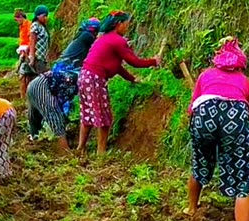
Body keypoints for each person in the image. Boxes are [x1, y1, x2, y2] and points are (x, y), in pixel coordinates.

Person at [185, 37, 249, 221]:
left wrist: (199, 129)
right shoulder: (244, 81)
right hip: (235, 116)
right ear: (239, 62)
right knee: (243, 177)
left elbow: (192, 109)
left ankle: (191, 208)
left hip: (204, 113)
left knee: (200, 161)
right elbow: (248, 109)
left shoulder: (205, 75)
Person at [77, 11, 160, 155]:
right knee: (104, 118)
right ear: (118, 24)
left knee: (88, 115)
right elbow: (134, 62)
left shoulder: (105, 39)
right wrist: (154, 61)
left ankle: (81, 148)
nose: (127, 27)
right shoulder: (117, 40)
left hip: (84, 77)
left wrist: (132, 79)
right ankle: (101, 154)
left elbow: (116, 66)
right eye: (126, 24)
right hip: (95, 79)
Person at [27, 61, 80, 151]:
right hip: (42, 85)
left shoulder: (80, 74)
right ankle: (64, 149)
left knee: (35, 115)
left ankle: (34, 137)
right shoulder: (85, 78)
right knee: (53, 114)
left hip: (35, 83)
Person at [14, 8, 33, 98]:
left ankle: (24, 97)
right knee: (25, 75)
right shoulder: (21, 26)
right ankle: (24, 96)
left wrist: (26, 52)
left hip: (27, 53)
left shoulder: (28, 25)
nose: (16, 21)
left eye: (16, 19)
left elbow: (31, 39)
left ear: (21, 17)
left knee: (24, 76)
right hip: (23, 51)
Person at [29, 5, 50, 75]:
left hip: (43, 58)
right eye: (44, 16)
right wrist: (31, 57)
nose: (46, 18)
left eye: (46, 16)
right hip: (38, 58)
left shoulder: (42, 26)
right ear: (38, 16)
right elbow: (32, 41)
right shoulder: (35, 25)